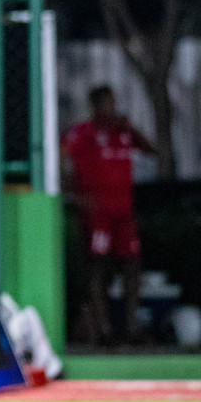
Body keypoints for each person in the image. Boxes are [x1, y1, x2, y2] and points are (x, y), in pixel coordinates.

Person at [61, 85, 156, 346]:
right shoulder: (84, 134)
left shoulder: (123, 133)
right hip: (98, 215)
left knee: (132, 266)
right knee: (98, 269)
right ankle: (102, 330)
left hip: (123, 214)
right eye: (106, 103)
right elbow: (60, 156)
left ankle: (131, 327)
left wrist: (131, 128)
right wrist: (72, 194)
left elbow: (150, 149)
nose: (111, 108)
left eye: (113, 103)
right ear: (95, 106)